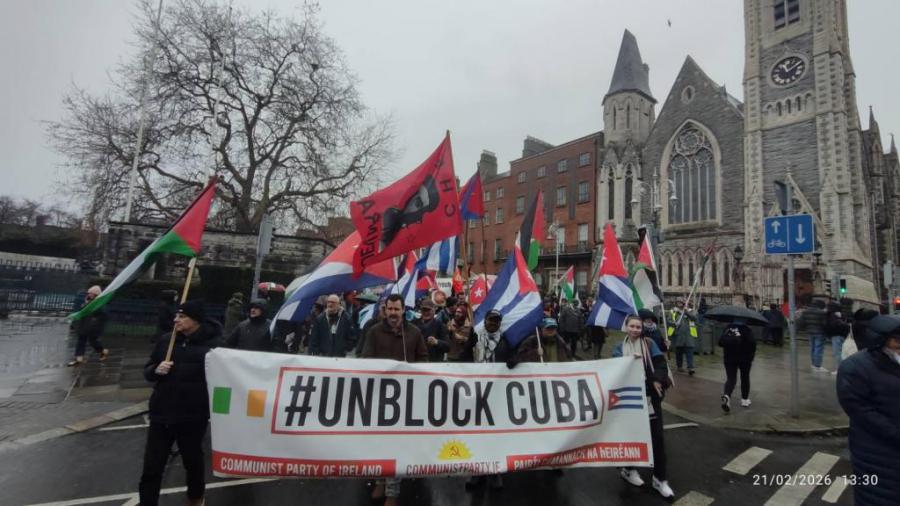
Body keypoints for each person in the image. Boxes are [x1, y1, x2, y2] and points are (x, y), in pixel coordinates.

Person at [139, 300, 222, 506]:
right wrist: (155, 370)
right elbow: (148, 369)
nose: (176, 319)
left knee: (192, 461)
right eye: (176, 315)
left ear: (196, 320)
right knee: (152, 466)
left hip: (192, 415)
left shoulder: (214, 346)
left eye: (182, 316)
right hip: (161, 413)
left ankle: (195, 497)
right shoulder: (166, 340)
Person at [361, 294, 427, 506]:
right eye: (390, 309)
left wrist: (410, 370)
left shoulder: (414, 333)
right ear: (385, 309)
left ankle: (393, 492)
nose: (393, 313)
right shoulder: (374, 332)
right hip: (380, 396)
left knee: (396, 444)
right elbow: (366, 360)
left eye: (396, 309)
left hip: (404, 399)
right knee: (378, 442)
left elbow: (423, 359)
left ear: (403, 310)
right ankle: (380, 480)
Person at [836, 314, 900, 505]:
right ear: (879, 340)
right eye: (897, 341)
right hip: (877, 454)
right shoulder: (855, 368)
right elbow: (861, 411)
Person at [612, 314, 674, 499]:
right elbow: (614, 371)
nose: (635, 330)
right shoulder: (618, 348)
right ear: (626, 327)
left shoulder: (649, 344)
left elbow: (661, 364)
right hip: (629, 400)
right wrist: (630, 361)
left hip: (649, 398)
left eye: (638, 327)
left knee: (657, 438)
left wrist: (655, 379)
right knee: (631, 436)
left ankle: (660, 479)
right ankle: (628, 469)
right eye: (632, 326)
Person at [463, 309, 516, 490]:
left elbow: (513, 357)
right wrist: (468, 344)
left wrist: (513, 361)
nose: (493, 323)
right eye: (490, 320)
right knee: (477, 434)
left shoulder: (505, 341)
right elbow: (463, 360)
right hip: (477, 393)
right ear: (484, 321)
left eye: (496, 321)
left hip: (497, 394)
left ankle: (495, 471)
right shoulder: (476, 337)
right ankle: (477, 471)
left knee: (495, 435)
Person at [718, 318, 756, 411]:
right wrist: (751, 357)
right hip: (745, 359)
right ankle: (744, 400)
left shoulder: (728, 328)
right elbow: (752, 344)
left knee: (731, 378)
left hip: (729, 358)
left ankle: (727, 395)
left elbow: (720, 342)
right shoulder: (747, 329)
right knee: (745, 377)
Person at [68, 285, 110, 366]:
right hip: (85, 324)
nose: (89, 294)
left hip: (93, 326)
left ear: (95, 295)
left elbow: (103, 314)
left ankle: (102, 351)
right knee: (81, 340)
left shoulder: (99, 303)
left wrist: (95, 319)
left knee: (93, 341)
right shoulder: (86, 301)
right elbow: (82, 312)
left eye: (91, 293)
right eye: (89, 293)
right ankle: (78, 358)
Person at [796, 299, 828, 372]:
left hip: (810, 332)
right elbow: (825, 324)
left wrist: (796, 330)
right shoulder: (822, 312)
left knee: (812, 348)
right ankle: (817, 366)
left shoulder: (806, 312)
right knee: (818, 349)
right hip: (820, 332)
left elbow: (801, 322)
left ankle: (813, 364)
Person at [824, 301, 851, 375]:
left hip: (836, 335)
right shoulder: (840, 314)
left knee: (837, 353)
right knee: (842, 353)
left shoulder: (832, 315)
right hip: (842, 335)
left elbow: (833, 325)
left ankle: (839, 369)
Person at [670, 305, 697, 375]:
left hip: (689, 336)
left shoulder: (691, 311)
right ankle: (679, 366)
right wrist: (674, 323)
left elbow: (694, 318)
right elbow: (669, 320)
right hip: (678, 335)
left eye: (683, 303)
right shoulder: (674, 311)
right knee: (678, 352)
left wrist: (686, 312)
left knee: (689, 352)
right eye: (679, 303)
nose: (681, 304)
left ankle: (690, 368)